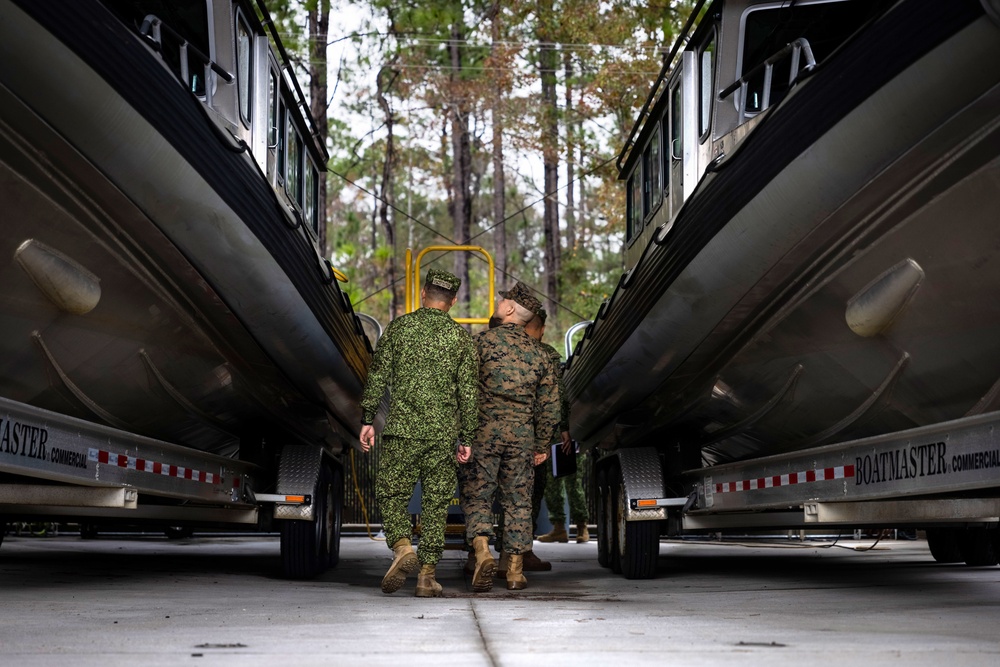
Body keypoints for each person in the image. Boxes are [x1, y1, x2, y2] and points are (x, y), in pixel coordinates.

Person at [359, 267, 478, 597]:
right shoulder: (461, 339)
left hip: (402, 432)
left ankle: (401, 545)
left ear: (424, 294)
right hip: (441, 437)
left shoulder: (399, 329)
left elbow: (378, 376)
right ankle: (427, 577)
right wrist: (466, 438)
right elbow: (469, 393)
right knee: (436, 505)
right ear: (452, 301)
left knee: (391, 494)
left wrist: (367, 419)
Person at [461, 282, 560, 592]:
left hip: (483, 433)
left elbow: (462, 392)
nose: (498, 301)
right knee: (518, 502)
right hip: (522, 439)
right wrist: (542, 443)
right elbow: (550, 405)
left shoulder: (479, 344)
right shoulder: (541, 354)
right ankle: (515, 572)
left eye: (501, 299)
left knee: (479, 496)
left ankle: (481, 554)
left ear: (509, 309)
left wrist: (462, 434)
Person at [529, 308, 590, 544]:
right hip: (554, 434)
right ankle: (563, 528)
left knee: (568, 483)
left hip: (559, 435)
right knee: (558, 486)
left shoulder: (547, 358)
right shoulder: (547, 358)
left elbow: (559, 399)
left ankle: (578, 527)